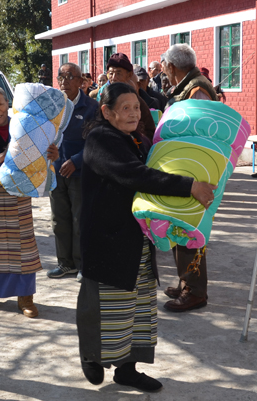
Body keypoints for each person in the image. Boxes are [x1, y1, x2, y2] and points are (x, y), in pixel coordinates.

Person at [77, 82, 217, 392]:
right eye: (125, 108)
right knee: (103, 304)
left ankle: (127, 369)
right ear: (107, 112)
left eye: (136, 107)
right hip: (106, 240)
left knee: (138, 307)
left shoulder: (134, 139)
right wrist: (189, 186)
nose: (133, 113)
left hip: (135, 238)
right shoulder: (101, 139)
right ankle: (91, 355)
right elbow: (136, 175)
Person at [0, 86, 59, 318]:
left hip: (19, 192)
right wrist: (0, 158)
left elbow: (42, 154)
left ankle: (25, 297)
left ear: (9, 104)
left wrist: (52, 155)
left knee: (22, 246)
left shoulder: (25, 126)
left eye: (0, 104)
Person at [157, 43, 219, 313]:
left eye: (163, 66)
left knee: (189, 229)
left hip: (195, 170)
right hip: (187, 167)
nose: (162, 71)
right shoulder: (189, 85)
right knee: (179, 227)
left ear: (171, 67)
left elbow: (200, 132)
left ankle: (195, 291)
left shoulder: (197, 89)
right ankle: (186, 282)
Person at [46, 63, 99, 281]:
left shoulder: (92, 108)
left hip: (80, 173)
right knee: (59, 220)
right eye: (61, 77)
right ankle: (65, 263)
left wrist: (76, 161)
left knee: (80, 220)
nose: (64, 81)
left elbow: (96, 142)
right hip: (56, 172)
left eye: (69, 76)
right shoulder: (52, 106)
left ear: (81, 82)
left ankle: (83, 265)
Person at [103, 53, 156, 139]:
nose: (114, 78)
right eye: (111, 73)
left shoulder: (137, 101)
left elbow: (150, 131)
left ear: (129, 75)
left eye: (118, 73)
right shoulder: (105, 98)